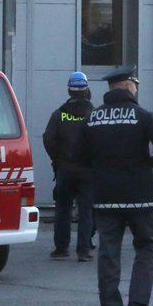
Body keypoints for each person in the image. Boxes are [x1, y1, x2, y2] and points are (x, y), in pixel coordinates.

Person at [75, 65, 153, 306]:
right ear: (130, 86)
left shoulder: (92, 118)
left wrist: (99, 171)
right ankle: (139, 301)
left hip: (105, 195)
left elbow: (78, 156)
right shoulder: (142, 116)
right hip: (139, 195)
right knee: (147, 246)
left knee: (108, 251)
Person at [43, 71, 95, 261]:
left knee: (63, 208)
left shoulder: (59, 115)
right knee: (86, 210)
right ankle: (84, 250)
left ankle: (61, 248)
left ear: (69, 90)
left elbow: (48, 139)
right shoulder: (93, 113)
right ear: (87, 89)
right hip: (88, 170)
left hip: (65, 169)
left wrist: (57, 159)